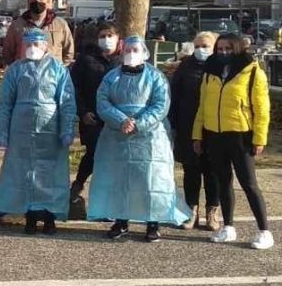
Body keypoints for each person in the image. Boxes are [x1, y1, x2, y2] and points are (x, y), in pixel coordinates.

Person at [87, 37, 191, 241]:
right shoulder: (111, 77)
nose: (131, 53)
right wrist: (121, 120)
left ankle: (153, 223)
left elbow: (161, 105)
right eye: (127, 49)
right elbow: (102, 102)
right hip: (116, 136)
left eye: (135, 49)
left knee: (151, 179)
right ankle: (121, 221)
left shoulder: (156, 77)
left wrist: (139, 123)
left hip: (150, 137)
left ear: (145, 53)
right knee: (119, 179)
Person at [193, 32, 273, 249]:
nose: (224, 53)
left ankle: (264, 231)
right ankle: (228, 227)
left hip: (240, 135)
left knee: (249, 184)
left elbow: (262, 108)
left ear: (237, 48)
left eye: (228, 48)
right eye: (220, 49)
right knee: (223, 181)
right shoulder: (210, 71)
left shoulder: (253, 70)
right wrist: (197, 134)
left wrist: (259, 138)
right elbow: (203, 105)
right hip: (214, 134)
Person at [0, 28, 77, 234]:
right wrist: (3, 134)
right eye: (28, 44)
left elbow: (67, 102)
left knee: (51, 173)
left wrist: (67, 130)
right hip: (21, 129)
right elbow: (5, 103)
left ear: (45, 46)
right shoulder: (16, 70)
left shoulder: (58, 69)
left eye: (37, 44)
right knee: (24, 171)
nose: (33, 48)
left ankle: (50, 216)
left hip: (50, 129)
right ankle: (30, 215)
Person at [168, 32, 221, 230]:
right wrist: (172, 124)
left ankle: (213, 211)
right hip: (187, 126)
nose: (201, 50)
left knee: (213, 171)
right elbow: (174, 95)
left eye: (205, 46)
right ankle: (192, 211)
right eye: (197, 46)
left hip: (214, 127)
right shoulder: (186, 66)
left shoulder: (221, 66)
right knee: (191, 170)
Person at [69, 21, 120, 211]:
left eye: (110, 35)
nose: (106, 40)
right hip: (92, 116)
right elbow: (75, 87)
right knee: (93, 153)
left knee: (111, 160)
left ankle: (108, 201)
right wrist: (82, 112)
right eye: (102, 36)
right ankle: (78, 184)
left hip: (116, 119)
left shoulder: (123, 60)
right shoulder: (86, 59)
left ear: (118, 38)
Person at [2, 0, 74, 64]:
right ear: (28, 1)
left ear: (47, 0)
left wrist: (59, 69)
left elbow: (69, 52)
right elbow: (7, 54)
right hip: (25, 75)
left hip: (52, 75)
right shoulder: (17, 26)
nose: (37, 1)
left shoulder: (60, 25)